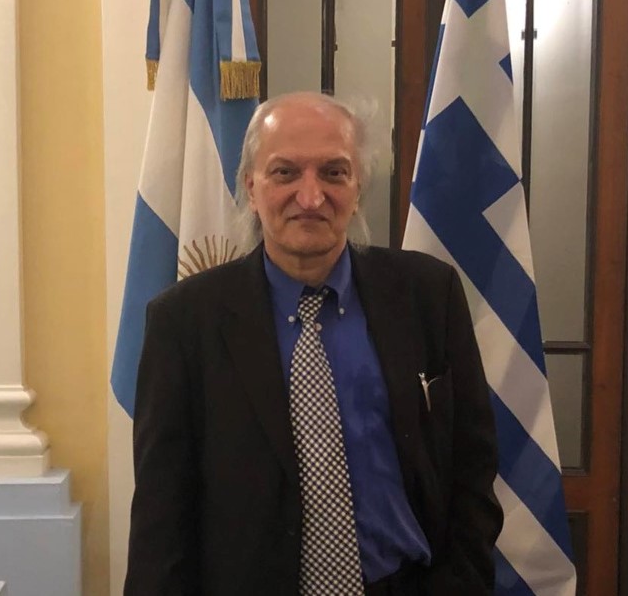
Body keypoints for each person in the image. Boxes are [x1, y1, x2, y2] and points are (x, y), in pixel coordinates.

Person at [124, 91, 502, 596]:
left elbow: (473, 465)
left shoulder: (429, 296)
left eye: (333, 172)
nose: (310, 197)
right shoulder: (184, 323)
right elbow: (161, 514)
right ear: (251, 187)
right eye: (285, 172)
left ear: (357, 187)